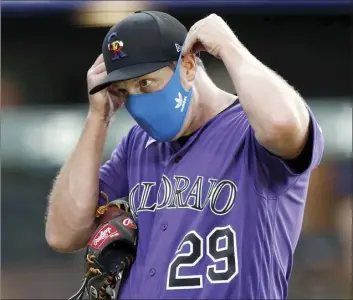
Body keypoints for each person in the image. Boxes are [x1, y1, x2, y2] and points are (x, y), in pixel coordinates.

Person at [45, 11, 324, 299]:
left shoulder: (250, 130)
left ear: (188, 67)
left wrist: (229, 47)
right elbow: (63, 233)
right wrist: (97, 118)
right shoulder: (137, 145)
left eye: (145, 83)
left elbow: (283, 126)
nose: (137, 102)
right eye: (124, 91)